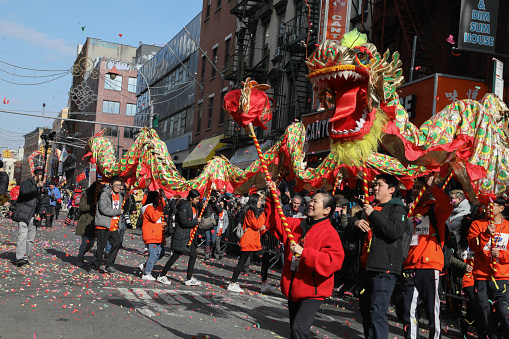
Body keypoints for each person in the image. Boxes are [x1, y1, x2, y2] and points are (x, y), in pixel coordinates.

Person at [265, 187, 344, 339]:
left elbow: (333, 262)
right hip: (294, 288)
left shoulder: (330, 233)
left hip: (313, 291)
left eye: (316, 201)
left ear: (327, 210)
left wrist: (305, 253)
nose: (310, 203)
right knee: (296, 331)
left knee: (298, 329)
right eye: (311, 200)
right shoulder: (296, 224)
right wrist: (272, 196)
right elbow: (274, 221)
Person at [354, 173, 409, 339]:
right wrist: (355, 223)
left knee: (377, 311)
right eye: (374, 184)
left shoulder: (397, 208)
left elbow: (394, 231)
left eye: (380, 185)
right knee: (366, 312)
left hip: (383, 268)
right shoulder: (369, 207)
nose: (375, 188)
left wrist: (373, 215)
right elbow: (349, 229)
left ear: (392, 189)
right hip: (365, 266)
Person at [401, 176, 454, 339]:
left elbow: (448, 206)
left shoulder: (435, 209)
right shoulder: (409, 213)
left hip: (430, 267)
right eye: (414, 187)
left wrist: (435, 187)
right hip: (409, 267)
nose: (415, 190)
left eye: (419, 187)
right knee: (409, 311)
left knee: (432, 312)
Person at [467, 197, 509, 339]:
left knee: (504, 313)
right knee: (486, 314)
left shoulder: (508, 226)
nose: (487, 208)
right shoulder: (477, 224)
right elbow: (473, 246)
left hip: (503, 277)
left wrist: (502, 254)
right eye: (486, 205)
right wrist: (485, 234)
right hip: (482, 277)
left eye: (492, 205)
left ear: (502, 208)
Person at [227, 193, 273, 293]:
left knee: (265, 258)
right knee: (242, 262)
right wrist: (263, 215)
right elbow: (256, 225)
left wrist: (263, 229)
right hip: (249, 242)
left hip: (254, 242)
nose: (261, 203)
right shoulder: (250, 211)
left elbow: (257, 227)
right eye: (260, 201)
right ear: (255, 201)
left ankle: (264, 283)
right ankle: (232, 283)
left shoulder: (252, 211)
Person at [157, 189, 203, 286]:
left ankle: (189, 278)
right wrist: (196, 221)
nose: (197, 201)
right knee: (176, 255)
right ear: (190, 198)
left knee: (193, 255)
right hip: (182, 235)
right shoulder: (184, 206)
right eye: (196, 199)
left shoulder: (194, 206)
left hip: (190, 235)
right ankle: (162, 274)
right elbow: (184, 222)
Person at [89, 176, 124, 274]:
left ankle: (109, 264)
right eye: (116, 185)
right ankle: (95, 266)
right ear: (111, 185)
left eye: (119, 185)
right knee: (101, 247)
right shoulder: (105, 195)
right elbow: (103, 209)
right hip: (104, 225)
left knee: (116, 244)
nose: (118, 187)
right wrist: (118, 211)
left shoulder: (120, 195)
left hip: (114, 225)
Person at [12, 168, 44, 267]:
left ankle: (25, 256)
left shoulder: (43, 187)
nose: (40, 177)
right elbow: (24, 192)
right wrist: (36, 186)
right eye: (39, 174)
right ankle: (20, 257)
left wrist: (40, 213)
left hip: (33, 215)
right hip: (23, 214)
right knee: (23, 235)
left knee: (30, 239)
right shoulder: (27, 183)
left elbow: (43, 202)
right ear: (34, 175)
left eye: (42, 175)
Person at [140, 190, 170, 283]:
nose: (159, 199)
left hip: (157, 234)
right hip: (151, 234)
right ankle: (147, 273)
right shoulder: (148, 207)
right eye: (157, 197)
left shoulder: (154, 207)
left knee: (160, 253)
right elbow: (154, 217)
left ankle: (146, 266)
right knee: (153, 254)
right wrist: (160, 207)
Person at [75, 181, 101, 268]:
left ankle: (81, 254)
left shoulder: (100, 197)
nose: (100, 190)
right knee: (85, 242)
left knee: (91, 243)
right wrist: (93, 205)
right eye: (98, 188)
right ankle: (80, 258)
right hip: (85, 222)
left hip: (94, 223)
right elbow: (82, 208)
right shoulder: (86, 196)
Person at [204, 192, 223, 259]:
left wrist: (215, 202)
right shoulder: (207, 203)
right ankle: (207, 253)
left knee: (213, 240)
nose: (212, 198)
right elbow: (203, 211)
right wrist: (205, 205)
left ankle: (211, 251)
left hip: (214, 223)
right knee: (207, 238)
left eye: (213, 196)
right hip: (207, 222)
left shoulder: (217, 203)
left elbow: (220, 210)